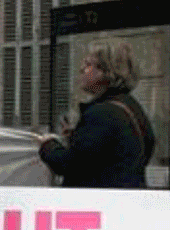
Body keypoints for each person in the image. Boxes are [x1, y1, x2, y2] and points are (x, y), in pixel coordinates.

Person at [37, 43, 154, 189]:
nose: (82, 70)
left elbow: (71, 164)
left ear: (106, 71)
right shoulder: (131, 107)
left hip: (101, 203)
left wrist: (48, 145)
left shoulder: (103, 113)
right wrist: (77, 137)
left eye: (88, 65)